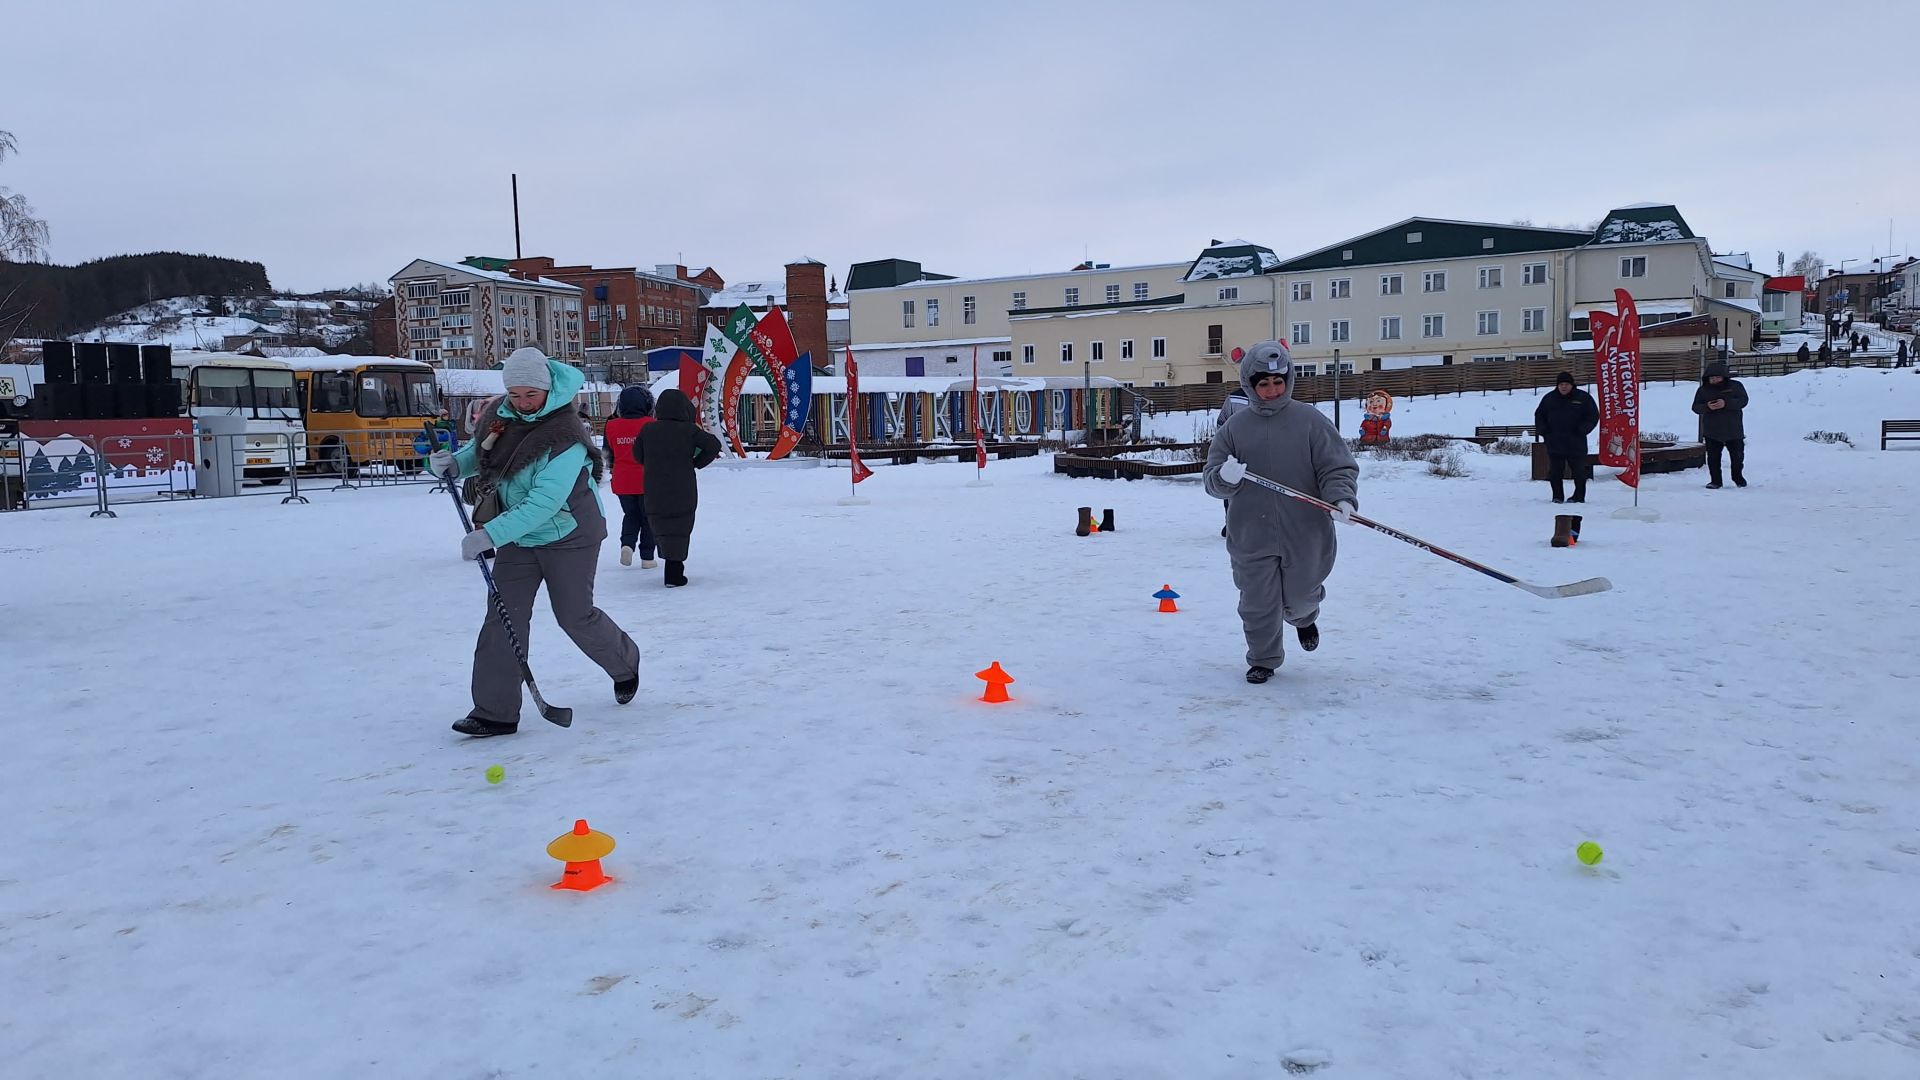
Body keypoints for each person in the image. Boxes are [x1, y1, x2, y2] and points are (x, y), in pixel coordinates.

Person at [429, 348, 640, 738]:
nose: (523, 403)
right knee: (502, 618)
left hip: (570, 534)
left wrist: (489, 534)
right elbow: (484, 454)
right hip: (520, 537)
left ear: (547, 389)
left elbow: (544, 502)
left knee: (574, 616)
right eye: (516, 394)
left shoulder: (565, 437)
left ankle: (625, 663)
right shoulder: (503, 418)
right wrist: (454, 464)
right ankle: (495, 711)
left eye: (531, 395)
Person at [1203, 340, 1359, 685]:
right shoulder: (1234, 429)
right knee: (1257, 602)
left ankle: (1304, 618)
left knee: (1300, 595)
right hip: (1250, 533)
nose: (1272, 390)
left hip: (1306, 531)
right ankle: (1263, 658)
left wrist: (1341, 499)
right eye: (1263, 384)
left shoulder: (1310, 421)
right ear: (1251, 385)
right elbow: (1211, 480)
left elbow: (1337, 467)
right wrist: (1224, 478)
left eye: (1278, 382)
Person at [633, 387, 721, 588]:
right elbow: (713, 445)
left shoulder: (648, 430)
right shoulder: (689, 430)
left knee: (661, 525)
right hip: (683, 487)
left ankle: (669, 564)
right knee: (680, 525)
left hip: (654, 487)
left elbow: (638, 456)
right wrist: (697, 462)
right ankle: (674, 570)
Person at [602, 385, 658, 568]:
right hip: (647, 480)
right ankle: (647, 558)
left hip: (622, 480)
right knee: (649, 518)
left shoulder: (611, 426)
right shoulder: (651, 425)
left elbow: (607, 454)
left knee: (631, 515)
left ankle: (627, 546)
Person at [1533, 371, 1600, 504]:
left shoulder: (1583, 398)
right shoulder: (1549, 399)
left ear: (1572, 385)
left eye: (1567, 384)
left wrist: (1583, 429)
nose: (1564, 387)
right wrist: (1544, 431)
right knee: (1555, 472)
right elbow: (1539, 415)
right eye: (1561, 384)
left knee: (1579, 472)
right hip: (1555, 442)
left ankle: (1579, 496)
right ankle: (1557, 496)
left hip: (1576, 442)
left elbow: (1593, 416)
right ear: (1557, 385)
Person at [1692, 359, 1749, 489]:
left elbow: (1743, 401)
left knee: (1737, 458)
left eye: (1718, 377)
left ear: (1724, 377)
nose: (1715, 380)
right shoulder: (1703, 390)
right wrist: (1707, 406)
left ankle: (1738, 477)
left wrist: (1726, 403)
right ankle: (1715, 481)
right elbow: (1695, 407)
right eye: (1712, 377)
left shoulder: (1736, 386)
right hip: (1712, 431)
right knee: (1713, 459)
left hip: (1733, 430)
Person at [1214, 386, 1250, 537]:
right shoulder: (1235, 398)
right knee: (1231, 488)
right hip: (1236, 454)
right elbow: (1222, 423)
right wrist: (1226, 446)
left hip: (1266, 454)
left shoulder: (1274, 394)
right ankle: (1231, 523)